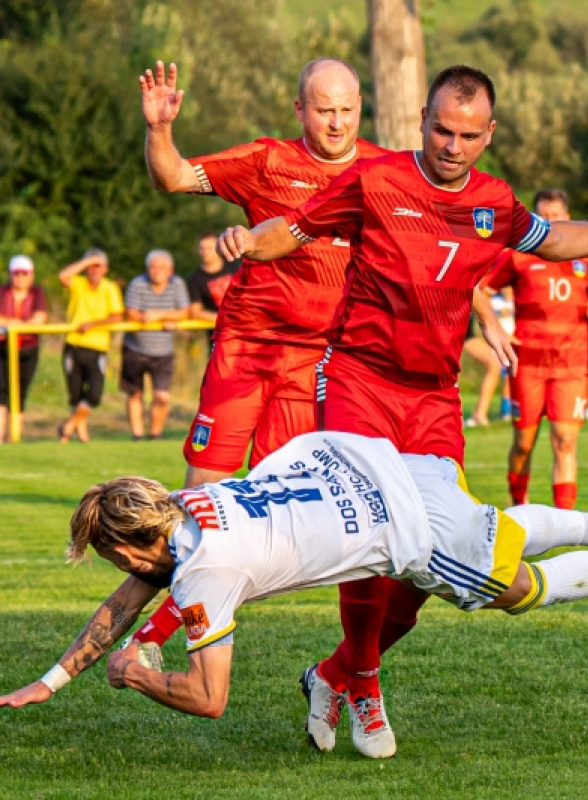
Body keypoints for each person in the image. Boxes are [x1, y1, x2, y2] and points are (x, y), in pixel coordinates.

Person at [217, 64, 588, 755]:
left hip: (433, 398)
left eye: (466, 135)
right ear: (421, 118)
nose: (451, 146)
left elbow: (556, 239)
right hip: (360, 380)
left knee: (431, 552)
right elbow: (296, 229)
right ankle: (363, 682)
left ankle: (335, 674)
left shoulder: (494, 200)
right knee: (373, 534)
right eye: (440, 130)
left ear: (489, 134)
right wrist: (250, 241)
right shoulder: (377, 179)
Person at [0, 430, 588, 748]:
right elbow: (129, 600)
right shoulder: (185, 503)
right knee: (492, 531)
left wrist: (133, 676)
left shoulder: (206, 571)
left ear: (123, 549)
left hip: (407, 526)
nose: (119, 577)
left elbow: (209, 698)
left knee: (515, 589)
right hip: (387, 464)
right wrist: (53, 679)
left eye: (109, 559)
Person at [127, 58, 387, 676]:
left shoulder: (382, 172)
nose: (337, 122)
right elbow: (169, 177)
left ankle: (345, 673)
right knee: (198, 503)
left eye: (348, 110)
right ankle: (167, 630)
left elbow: (435, 235)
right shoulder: (265, 161)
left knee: (295, 521)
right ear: (300, 109)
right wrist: (160, 130)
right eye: (324, 109)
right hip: (246, 350)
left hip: (317, 365)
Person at [480, 188, 588, 507]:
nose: (549, 221)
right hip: (528, 362)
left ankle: (564, 520)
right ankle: (519, 506)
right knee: (524, 443)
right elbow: (481, 291)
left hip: (572, 363)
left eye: (555, 215)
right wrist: (497, 325)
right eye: (543, 215)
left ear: (568, 217)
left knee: (565, 441)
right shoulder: (518, 255)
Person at [121, 249, 189, 440]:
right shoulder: (137, 284)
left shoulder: (177, 284)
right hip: (135, 348)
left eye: (161, 267)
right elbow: (132, 313)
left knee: (162, 396)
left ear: (170, 270)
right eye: (152, 267)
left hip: (163, 350)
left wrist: (156, 316)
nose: (156, 271)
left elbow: (184, 312)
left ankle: (155, 434)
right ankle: (137, 435)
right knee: (135, 394)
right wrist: (166, 316)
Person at [58, 250, 124, 443]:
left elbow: (117, 316)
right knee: (75, 393)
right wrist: (87, 261)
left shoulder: (110, 288)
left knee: (94, 394)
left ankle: (68, 426)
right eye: (91, 266)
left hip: (97, 346)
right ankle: (81, 435)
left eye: (98, 265)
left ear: (105, 269)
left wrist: (92, 324)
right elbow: (63, 276)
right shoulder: (78, 283)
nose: (94, 270)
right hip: (74, 344)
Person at [0, 255, 48, 442]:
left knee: (19, 392)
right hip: (2, 348)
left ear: (31, 275)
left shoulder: (37, 293)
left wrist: (11, 324)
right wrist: (21, 324)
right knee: (1, 390)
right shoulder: (3, 292)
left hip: (27, 349)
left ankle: (15, 436)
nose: (20, 277)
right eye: (16, 273)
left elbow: (39, 320)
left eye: (24, 273)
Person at [186, 232, 239, 350]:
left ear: (218, 248)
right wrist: (223, 318)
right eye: (202, 248)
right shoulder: (195, 279)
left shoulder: (234, 267)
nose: (205, 252)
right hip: (219, 335)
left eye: (209, 248)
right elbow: (195, 312)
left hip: (244, 330)